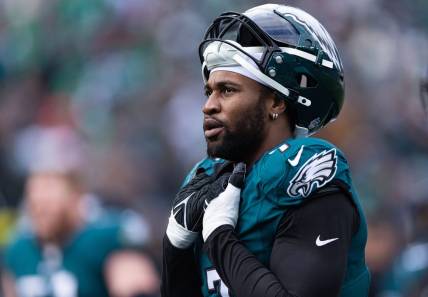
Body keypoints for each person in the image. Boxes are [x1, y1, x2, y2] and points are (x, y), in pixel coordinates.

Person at [161, 4, 370, 297]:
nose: (209, 105)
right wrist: (175, 247)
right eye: (209, 91)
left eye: (228, 90)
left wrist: (220, 238)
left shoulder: (305, 167)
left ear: (276, 102)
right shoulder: (205, 179)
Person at [2, 169, 160, 297]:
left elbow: (135, 287)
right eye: (35, 205)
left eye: (48, 205)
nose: (41, 213)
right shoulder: (18, 250)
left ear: (75, 199)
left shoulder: (103, 239)